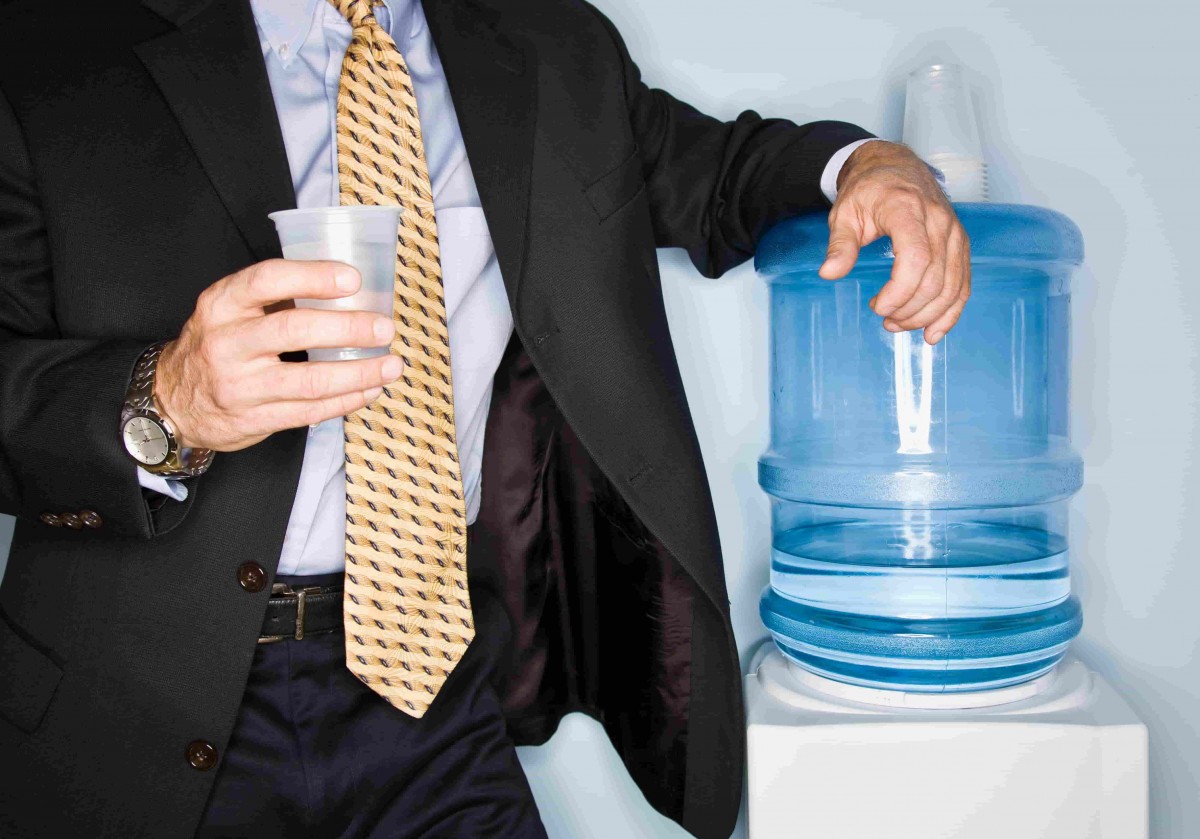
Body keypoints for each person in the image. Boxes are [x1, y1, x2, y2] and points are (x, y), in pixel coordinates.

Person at [0, 0, 969, 836]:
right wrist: (164, 399)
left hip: (428, 681)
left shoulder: (547, 44)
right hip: (130, 697)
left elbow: (724, 174)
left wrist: (871, 165)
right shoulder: (52, 49)